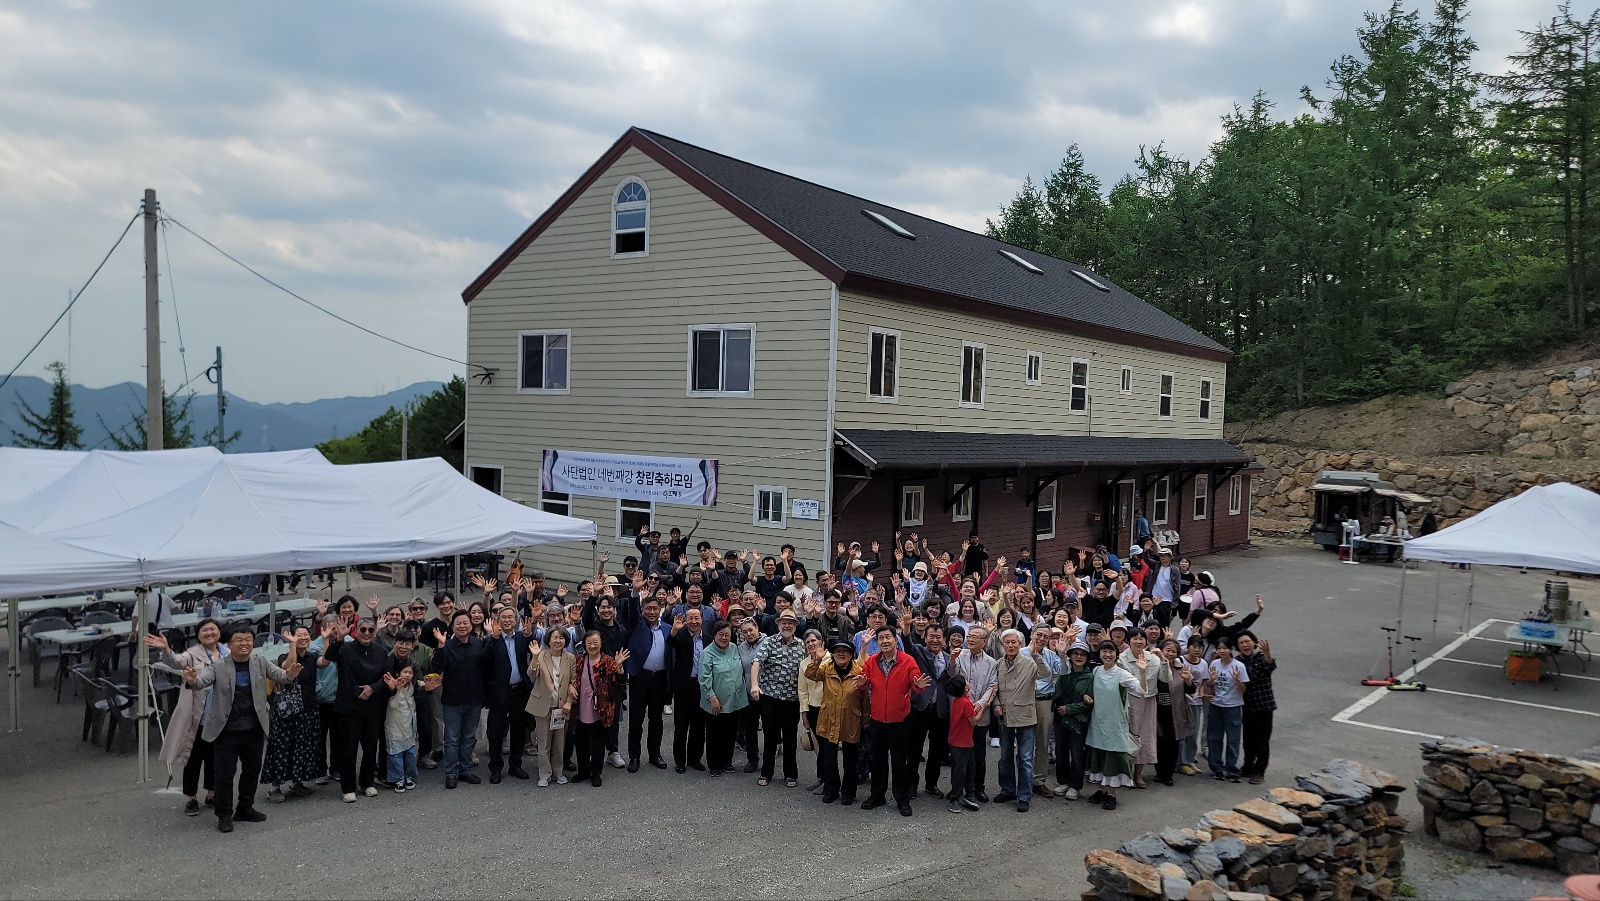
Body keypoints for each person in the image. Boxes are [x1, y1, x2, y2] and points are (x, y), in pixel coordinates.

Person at [180, 625, 303, 833]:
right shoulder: (219, 666)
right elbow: (201, 682)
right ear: (229, 644)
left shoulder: (260, 661)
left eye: (248, 639)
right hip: (226, 730)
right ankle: (224, 814)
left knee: (252, 770)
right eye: (239, 640)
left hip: (254, 727)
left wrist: (290, 675)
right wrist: (192, 680)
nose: (244, 643)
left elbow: (281, 675)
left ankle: (245, 808)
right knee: (224, 775)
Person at [144, 620, 223, 816]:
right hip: (197, 715)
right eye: (205, 630)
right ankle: (191, 798)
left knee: (215, 757)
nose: (209, 633)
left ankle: (212, 793)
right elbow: (176, 661)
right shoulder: (193, 654)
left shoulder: (227, 653)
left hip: (220, 717)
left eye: (213, 629)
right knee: (193, 758)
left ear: (220, 632)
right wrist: (167, 650)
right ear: (198, 635)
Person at [858, 624, 931, 816]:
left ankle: (902, 798)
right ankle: (877, 795)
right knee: (878, 761)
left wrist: (919, 685)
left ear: (895, 639)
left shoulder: (907, 661)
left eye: (887, 637)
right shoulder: (872, 661)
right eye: (880, 638)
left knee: (899, 761)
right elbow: (863, 681)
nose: (884, 641)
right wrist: (861, 683)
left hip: (900, 720)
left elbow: (917, 685)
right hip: (878, 720)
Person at [320, 616, 390, 803]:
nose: (366, 633)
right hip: (348, 707)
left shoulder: (381, 651)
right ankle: (348, 787)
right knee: (348, 749)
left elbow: (386, 677)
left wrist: (372, 688)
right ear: (356, 631)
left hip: (372, 706)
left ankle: (367, 783)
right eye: (363, 629)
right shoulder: (345, 648)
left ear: (375, 633)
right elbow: (328, 657)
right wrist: (340, 638)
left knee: (370, 747)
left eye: (370, 630)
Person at [991, 628, 1052, 812]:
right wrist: (995, 704)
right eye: (1006, 642)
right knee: (1005, 757)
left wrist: (1036, 655)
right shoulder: (999, 664)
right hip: (1005, 717)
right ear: (1002, 645)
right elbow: (994, 687)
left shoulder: (1029, 662)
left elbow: (1045, 673)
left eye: (1014, 642)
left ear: (1020, 644)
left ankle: (1024, 796)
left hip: (1025, 716)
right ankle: (1008, 789)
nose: (1010, 645)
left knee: (1025, 758)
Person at [261, 626, 321, 803]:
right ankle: (275, 787)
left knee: (303, 747)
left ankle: (297, 782)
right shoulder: (283, 656)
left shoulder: (312, 657)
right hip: (287, 712)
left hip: (308, 708)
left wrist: (325, 638)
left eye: (306, 635)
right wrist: (292, 646)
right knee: (281, 747)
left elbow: (324, 662)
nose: (303, 637)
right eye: (299, 635)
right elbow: (289, 670)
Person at [431, 610, 489, 789]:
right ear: (452, 627)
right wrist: (440, 647)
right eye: (458, 623)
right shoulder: (446, 646)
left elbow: (486, 668)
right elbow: (438, 667)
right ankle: (451, 772)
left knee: (468, 737)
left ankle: (465, 769)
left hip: (474, 700)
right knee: (452, 738)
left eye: (465, 623)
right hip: (452, 701)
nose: (462, 626)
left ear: (471, 625)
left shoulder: (479, 644)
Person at [804, 638, 865, 804]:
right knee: (829, 758)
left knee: (850, 759)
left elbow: (865, 698)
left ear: (851, 654)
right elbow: (810, 674)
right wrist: (817, 658)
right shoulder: (826, 668)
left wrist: (866, 721)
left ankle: (849, 792)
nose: (841, 654)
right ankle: (831, 789)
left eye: (845, 651)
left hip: (851, 719)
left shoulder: (859, 671)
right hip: (829, 717)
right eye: (838, 651)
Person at [750, 609, 805, 787]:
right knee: (770, 736)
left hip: (791, 699)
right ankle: (767, 773)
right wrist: (754, 684)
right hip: (770, 698)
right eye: (784, 622)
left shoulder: (802, 645)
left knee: (790, 738)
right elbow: (757, 662)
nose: (787, 625)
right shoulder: (769, 642)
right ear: (778, 624)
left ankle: (790, 774)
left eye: (790, 623)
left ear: (795, 626)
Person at [1085, 640, 1141, 811]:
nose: (1107, 655)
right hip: (1098, 722)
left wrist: (1143, 672)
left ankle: (1112, 794)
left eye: (1111, 652)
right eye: (1104, 651)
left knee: (1114, 759)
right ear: (1100, 654)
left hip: (1115, 724)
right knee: (1100, 757)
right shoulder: (1095, 671)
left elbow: (1141, 690)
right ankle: (1102, 790)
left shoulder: (1122, 674)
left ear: (1117, 655)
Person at [572, 631, 628, 787]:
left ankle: (596, 773)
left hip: (601, 708)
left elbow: (619, 681)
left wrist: (619, 667)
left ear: (601, 643)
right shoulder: (579, 661)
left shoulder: (608, 661)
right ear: (584, 644)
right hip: (581, 706)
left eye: (595, 642)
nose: (592, 646)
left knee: (598, 743)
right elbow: (572, 678)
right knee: (581, 741)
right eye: (589, 643)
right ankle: (583, 771)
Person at [484, 607, 532, 784]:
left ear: (515, 620)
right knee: (496, 731)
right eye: (503, 617)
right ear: (497, 620)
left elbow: (533, 653)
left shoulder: (521, 637)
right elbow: (484, 659)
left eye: (510, 617)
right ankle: (495, 767)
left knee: (518, 730)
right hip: (499, 692)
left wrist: (529, 636)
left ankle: (515, 765)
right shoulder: (492, 639)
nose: (507, 620)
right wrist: (493, 638)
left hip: (519, 691)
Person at [949, 625, 996, 802]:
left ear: (984, 641)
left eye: (975, 637)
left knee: (979, 754)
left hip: (979, 713)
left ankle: (978, 788)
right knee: (960, 755)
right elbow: (953, 677)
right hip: (962, 713)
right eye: (969, 636)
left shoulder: (991, 662)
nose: (970, 639)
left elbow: (992, 686)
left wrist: (981, 703)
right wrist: (952, 661)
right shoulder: (960, 655)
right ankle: (958, 790)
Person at [627, 596, 673, 773]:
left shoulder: (668, 629)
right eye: (648, 609)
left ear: (660, 609)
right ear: (642, 609)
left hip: (659, 679)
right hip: (640, 677)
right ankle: (634, 756)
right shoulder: (637, 625)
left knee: (656, 719)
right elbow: (632, 612)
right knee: (636, 719)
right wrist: (635, 593)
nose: (652, 612)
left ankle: (654, 754)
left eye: (655, 608)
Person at [525, 626, 575, 787]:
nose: (558, 641)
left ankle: (558, 771)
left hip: (562, 707)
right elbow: (531, 674)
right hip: (542, 705)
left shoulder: (571, 658)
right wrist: (534, 657)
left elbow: (574, 682)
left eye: (561, 638)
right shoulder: (541, 656)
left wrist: (569, 702)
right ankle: (544, 773)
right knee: (544, 742)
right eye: (555, 637)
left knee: (559, 742)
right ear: (548, 640)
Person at [699, 618, 748, 777]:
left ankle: (727, 762)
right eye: (721, 634)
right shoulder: (707, 653)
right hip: (715, 701)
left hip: (734, 700)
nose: (724, 638)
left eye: (727, 634)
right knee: (714, 733)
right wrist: (712, 697)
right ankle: (714, 764)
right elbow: (704, 678)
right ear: (714, 635)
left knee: (730, 732)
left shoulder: (734, 648)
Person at [1117, 630, 1166, 790]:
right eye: (1135, 638)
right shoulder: (1122, 658)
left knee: (1145, 737)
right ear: (1129, 641)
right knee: (1128, 737)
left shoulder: (1153, 657)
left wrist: (1163, 659)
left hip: (1149, 702)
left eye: (1141, 639)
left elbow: (1166, 678)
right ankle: (1127, 773)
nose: (1138, 642)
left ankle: (1139, 774)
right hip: (1129, 701)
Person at [1051, 643, 1094, 801]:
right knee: (1060, 752)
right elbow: (1058, 692)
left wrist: (1070, 708)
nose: (1078, 657)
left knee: (1077, 754)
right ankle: (1063, 781)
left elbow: (1090, 702)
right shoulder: (1065, 674)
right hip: (1060, 718)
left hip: (1078, 719)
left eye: (1082, 654)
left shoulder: (1090, 676)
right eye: (1075, 653)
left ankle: (1075, 785)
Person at [1204, 638, 1250, 783]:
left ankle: (1231, 768)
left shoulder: (1239, 666)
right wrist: (1211, 680)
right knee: (1214, 738)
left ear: (1231, 649)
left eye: (1225, 648)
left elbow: (1244, 690)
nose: (1222, 651)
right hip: (1216, 705)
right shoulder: (1215, 664)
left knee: (1233, 739)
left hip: (1233, 706)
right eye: (1219, 648)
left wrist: (1237, 680)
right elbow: (1210, 685)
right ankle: (1217, 768)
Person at [667, 607, 707, 773]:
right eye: (690, 618)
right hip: (684, 686)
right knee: (681, 726)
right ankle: (680, 761)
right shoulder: (681, 636)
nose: (693, 622)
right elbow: (671, 643)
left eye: (696, 618)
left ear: (702, 619)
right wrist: (674, 631)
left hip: (702, 685)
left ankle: (694, 759)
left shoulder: (709, 638)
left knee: (699, 726)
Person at [1235, 631, 1276, 785]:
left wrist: (1267, 654)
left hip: (1264, 706)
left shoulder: (1261, 658)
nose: (1245, 645)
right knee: (1248, 739)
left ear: (1254, 642)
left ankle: (1260, 771)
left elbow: (1270, 666)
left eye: (1247, 641)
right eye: (1241, 643)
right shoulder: (1237, 661)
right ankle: (1248, 765)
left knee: (1262, 740)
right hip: (1246, 706)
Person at [944, 674, 982, 812]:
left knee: (967, 768)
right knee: (961, 770)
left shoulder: (958, 701)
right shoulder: (965, 702)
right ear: (965, 688)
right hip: (962, 742)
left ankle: (968, 793)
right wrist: (982, 707)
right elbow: (974, 721)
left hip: (961, 741)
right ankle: (955, 797)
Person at [382, 661, 418, 792]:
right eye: (405, 672)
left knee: (410, 754)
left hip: (408, 725)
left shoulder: (413, 686)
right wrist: (397, 690)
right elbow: (392, 705)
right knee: (395, 754)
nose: (407, 675)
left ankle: (408, 776)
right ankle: (398, 779)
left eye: (410, 672)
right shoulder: (392, 687)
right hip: (395, 725)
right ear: (398, 673)